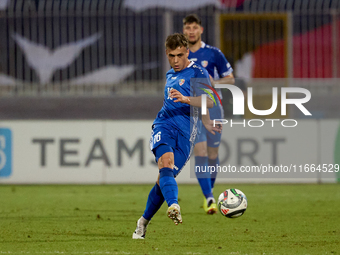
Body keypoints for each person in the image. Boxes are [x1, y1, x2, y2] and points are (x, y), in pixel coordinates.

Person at [132, 33, 221, 239]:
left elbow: (210, 101)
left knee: (163, 180)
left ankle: (142, 222)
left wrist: (190, 103)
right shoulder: (170, 74)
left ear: (187, 52)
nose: (175, 60)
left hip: (186, 136)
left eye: (180, 55)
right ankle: (174, 205)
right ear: (167, 54)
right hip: (164, 125)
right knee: (166, 162)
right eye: (171, 56)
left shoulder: (198, 72)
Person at [183, 14, 235, 214]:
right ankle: (210, 198)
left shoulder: (213, 54)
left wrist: (214, 83)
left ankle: (209, 190)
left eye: (194, 27)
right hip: (192, 110)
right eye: (188, 28)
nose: (191, 31)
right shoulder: (181, 55)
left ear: (201, 30)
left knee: (213, 155)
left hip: (214, 107)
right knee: (201, 152)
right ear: (184, 30)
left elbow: (230, 79)